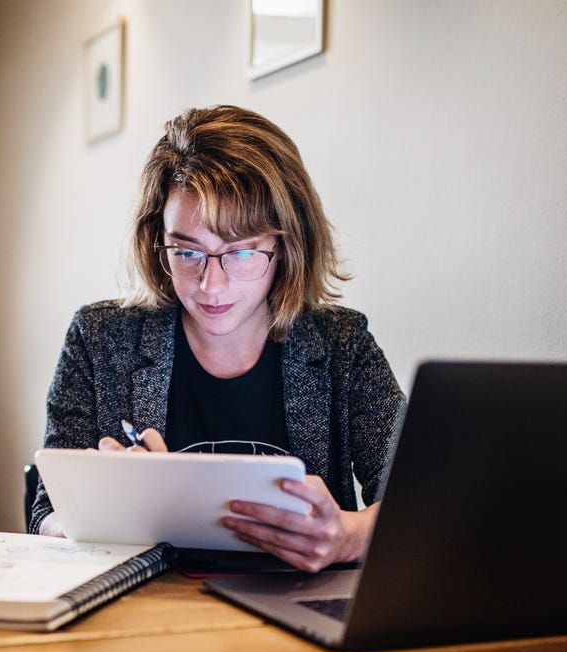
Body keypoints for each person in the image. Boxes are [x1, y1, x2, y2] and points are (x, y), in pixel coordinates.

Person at [29, 105, 405, 573]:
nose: (211, 284)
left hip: (300, 610)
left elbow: (424, 503)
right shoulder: (101, 338)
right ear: (157, 239)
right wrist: (112, 512)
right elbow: (44, 514)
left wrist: (349, 537)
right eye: (187, 251)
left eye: (241, 251)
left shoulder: (341, 346)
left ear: (286, 245)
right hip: (147, 615)